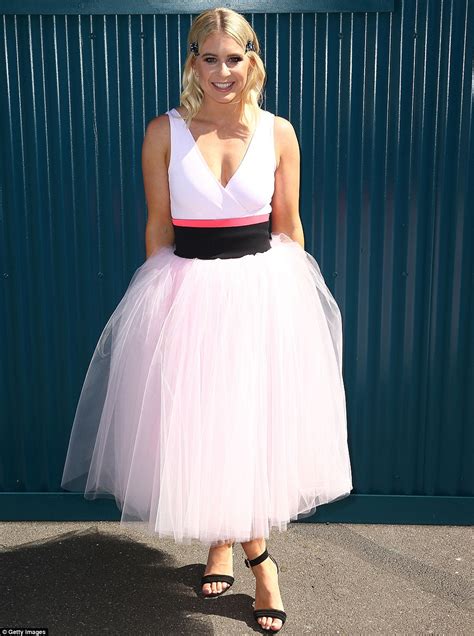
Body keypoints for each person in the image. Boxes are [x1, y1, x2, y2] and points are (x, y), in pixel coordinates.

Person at [60, 6, 353, 633]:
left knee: (250, 428)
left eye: (235, 56)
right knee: (207, 429)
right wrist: (160, 319)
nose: (223, 70)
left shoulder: (278, 132)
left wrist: (293, 318)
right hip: (187, 295)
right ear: (193, 61)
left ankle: (261, 561)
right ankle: (230, 544)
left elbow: (290, 227)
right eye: (210, 57)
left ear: (253, 60)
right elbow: (158, 229)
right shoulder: (163, 131)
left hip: (261, 294)